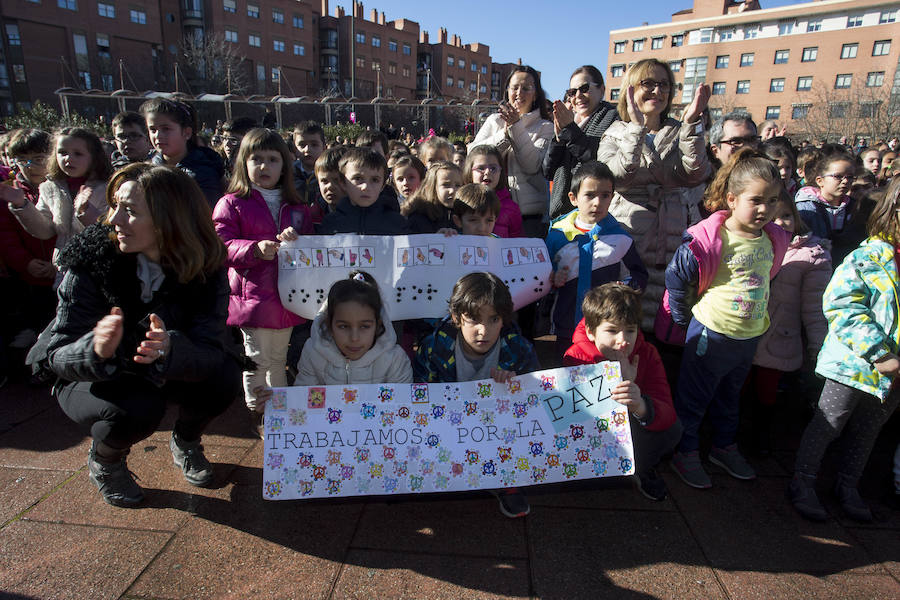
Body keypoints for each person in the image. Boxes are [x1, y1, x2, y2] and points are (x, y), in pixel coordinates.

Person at [47, 163, 241, 507]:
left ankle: (186, 441)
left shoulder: (205, 266)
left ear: (170, 220)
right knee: (137, 409)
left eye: (130, 211)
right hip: (92, 377)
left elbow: (211, 347)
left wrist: (170, 348)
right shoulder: (93, 256)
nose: (115, 220)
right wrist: (94, 349)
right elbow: (57, 353)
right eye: (116, 206)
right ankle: (105, 460)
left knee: (225, 376)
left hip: (157, 365)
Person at [662, 148, 790, 489]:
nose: (765, 208)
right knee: (694, 396)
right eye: (756, 200)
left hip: (748, 336)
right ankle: (685, 451)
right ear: (732, 199)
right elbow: (677, 277)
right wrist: (681, 317)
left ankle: (723, 446)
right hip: (711, 333)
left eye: (774, 200)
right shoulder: (710, 238)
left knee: (730, 396)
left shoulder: (773, 238)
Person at [789, 177, 900, 522]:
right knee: (828, 423)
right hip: (853, 364)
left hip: (894, 372)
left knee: (868, 430)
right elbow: (842, 304)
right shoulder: (870, 256)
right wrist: (879, 353)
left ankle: (847, 485)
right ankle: (803, 482)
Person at [414, 272, 539, 518]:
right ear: (456, 318)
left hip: (496, 428)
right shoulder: (434, 347)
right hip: (448, 424)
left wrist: (515, 388)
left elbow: (535, 401)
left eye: (493, 319)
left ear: (504, 319)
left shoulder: (518, 349)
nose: (484, 330)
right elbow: (420, 395)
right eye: (473, 319)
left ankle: (508, 483)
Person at [212, 128, 313, 432]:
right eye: (257, 159)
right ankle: (258, 410)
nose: (265, 167)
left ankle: (278, 410)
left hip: (286, 296)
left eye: (272, 160)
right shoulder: (231, 203)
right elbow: (220, 245)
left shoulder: (297, 207)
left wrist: (297, 241)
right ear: (243, 163)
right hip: (252, 298)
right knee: (257, 359)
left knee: (278, 358)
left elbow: (310, 246)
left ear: (284, 165)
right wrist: (254, 249)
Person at [597, 59, 711, 330]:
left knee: (668, 308)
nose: (657, 91)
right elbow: (616, 177)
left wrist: (692, 122)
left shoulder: (679, 131)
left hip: (672, 227)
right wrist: (636, 130)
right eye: (648, 83)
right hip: (629, 225)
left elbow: (695, 172)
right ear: (631, 89)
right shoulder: (614, 133)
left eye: (663, 85)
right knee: (625, 306)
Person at [563, 283, 682, 501]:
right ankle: (596, 472)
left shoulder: (647, 353)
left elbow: (667, 411)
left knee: (673, 430)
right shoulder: (576, 357)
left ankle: (641, 468)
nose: (623, 340)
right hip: (595, 433)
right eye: (612, 330)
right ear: (591, 332)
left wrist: (639, 404)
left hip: (634, 430)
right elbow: (573, 417)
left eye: (630, 330)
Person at [748, 190, 830, 454]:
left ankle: (760, 438)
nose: (780, 222)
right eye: (773, 217)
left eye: (786, 216)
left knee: (767, 392)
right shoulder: (753, 243)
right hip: (746, 333)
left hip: (779, 336)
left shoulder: (811, 256)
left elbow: (815, 308)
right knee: (741, 387)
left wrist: (818, 346)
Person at [546, 161, 648, 357]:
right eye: (590, 195)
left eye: (605, 196)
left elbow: (639, 275)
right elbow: (542, 276)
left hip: (606, 330)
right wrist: (553, 280)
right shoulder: (557, 235)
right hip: (566, 324)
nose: (597, 203)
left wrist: (626, 286)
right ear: (573, 198)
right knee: (567, 375)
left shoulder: (621, 239)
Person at [1, 127, 111, 273]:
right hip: (64, 269)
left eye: (78, 154)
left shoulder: (108, 187)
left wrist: (86, 211)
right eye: (62, 153)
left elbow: (110, 232)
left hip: (98, 266)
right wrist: (22, 205)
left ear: (94, 156)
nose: (68, 159)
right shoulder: (50, 187)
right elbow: (44, 231)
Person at [471, 65, 554, 237]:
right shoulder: (494, 121)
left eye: (526, 88)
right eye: (514, 87)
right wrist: (504, 134)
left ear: (536, 94)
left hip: (529, 217)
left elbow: (532, 165)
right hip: (490, 212)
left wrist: (516, 127)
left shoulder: (545, 127)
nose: (519, 93)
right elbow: (473, 154)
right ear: (507, 90)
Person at [294, 271, 412, 385]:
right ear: (330, 325)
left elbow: (403, 403)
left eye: (364, 326)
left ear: (378, 325)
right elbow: (303, 399)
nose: (354, 338)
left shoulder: (395, 360)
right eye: (343, 326)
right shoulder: (313, 353)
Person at [0, 128, 57, 346]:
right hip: (29, 275)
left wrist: (57, 264)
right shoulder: (9, 193)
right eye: (22, 160)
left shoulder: (61, 189)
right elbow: (6, 237)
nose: (30, 166)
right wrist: (26, 263)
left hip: (60, 271)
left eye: (38, 159)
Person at [544, 65, 619, 220]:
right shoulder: (568, 121)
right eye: (572, 92)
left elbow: (598, 163)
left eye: (584, 88)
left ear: (602, 90)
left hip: (594, 213)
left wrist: (570, 129)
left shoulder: (613, 119)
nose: (578, 96)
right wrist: (558, 139)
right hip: (562, 214)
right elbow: (548, 171)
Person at [140, 98, 224, 207]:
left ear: (187, 133)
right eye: (153, 130)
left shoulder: (203, 173)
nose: (158, 135)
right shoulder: (148, 169)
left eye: (166, 129)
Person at [318, 148, 408, 235]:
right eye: (358, 178)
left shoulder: (397, 223)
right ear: (343, 183)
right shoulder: (330, 223)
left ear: (382, 186)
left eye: (374, 180)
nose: (365, 187)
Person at [795, 149, 858, 263]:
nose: (845, 181)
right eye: (838, 176)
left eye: (850, 177)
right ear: (820, 181)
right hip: (814, 264)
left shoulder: (855, 207)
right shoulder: (806, 207)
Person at [464, 145, 523, 238]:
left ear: (501, 171)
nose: (487, 172)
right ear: (469, 170)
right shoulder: (461, 202)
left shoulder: (512, 208)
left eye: (493, 168)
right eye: (481, 168)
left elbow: (517, 243)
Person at [401, 161, 461, 233]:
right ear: (432, 187)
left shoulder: (464, 214)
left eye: (457, 185)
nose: (452, 190)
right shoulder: (418, 218)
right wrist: (435, 237)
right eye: (446, 185)